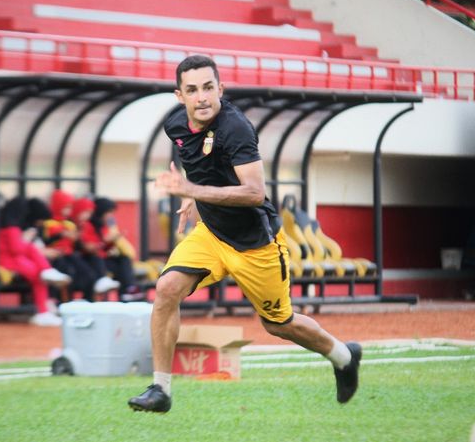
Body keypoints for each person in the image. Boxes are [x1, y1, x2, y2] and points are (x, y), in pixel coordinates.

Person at [128, 55, 361, 413]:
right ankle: (161, 390)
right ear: (180, 96)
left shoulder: (235, 128)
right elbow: (194, 159)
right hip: (211, 235)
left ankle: (344, 357)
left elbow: (254, 192)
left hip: (256, 245)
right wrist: (192, 198)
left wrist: (191, 191)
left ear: (221, 89)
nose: (202, 97)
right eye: (192, 90)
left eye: (208, 87)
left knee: (279, 324)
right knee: (166, 288)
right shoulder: (175, 125)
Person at [0, 196, 70, 326]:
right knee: (38, 272)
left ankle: (44, 307)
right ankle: (43, 308)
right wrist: (27, 240)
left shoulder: (1, 223)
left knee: (38, 270)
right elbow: (17, 248)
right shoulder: (11, 227)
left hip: (4, 259)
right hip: (4, 260)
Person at [79, 197, 145, 302]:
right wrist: (104, 241)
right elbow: (88, 247)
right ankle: (106, 282)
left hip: (103, 260)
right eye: (109, 213)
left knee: (123, 259)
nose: (111, 216)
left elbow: (104, 246)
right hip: (92, 261)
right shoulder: (88, 225)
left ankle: (129, 289)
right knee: (99, 259)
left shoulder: (103, 227)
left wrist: (113, 241)